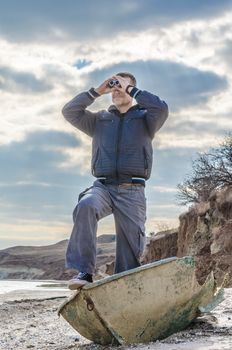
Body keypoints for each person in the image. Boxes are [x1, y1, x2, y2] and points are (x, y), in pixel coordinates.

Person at [62, 72, 168, 290]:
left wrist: (130, 89)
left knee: (130, 251)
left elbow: (162, 108)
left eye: (122, 85)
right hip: (103, 186)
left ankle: (123, 285)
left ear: (132, 89)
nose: (117, 89)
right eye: (114, 86)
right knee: (86, 205)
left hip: (133, 189)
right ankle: (84, 272)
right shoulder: (99, 120)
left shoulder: (146, 118)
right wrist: (97, 91)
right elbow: (70, 111)